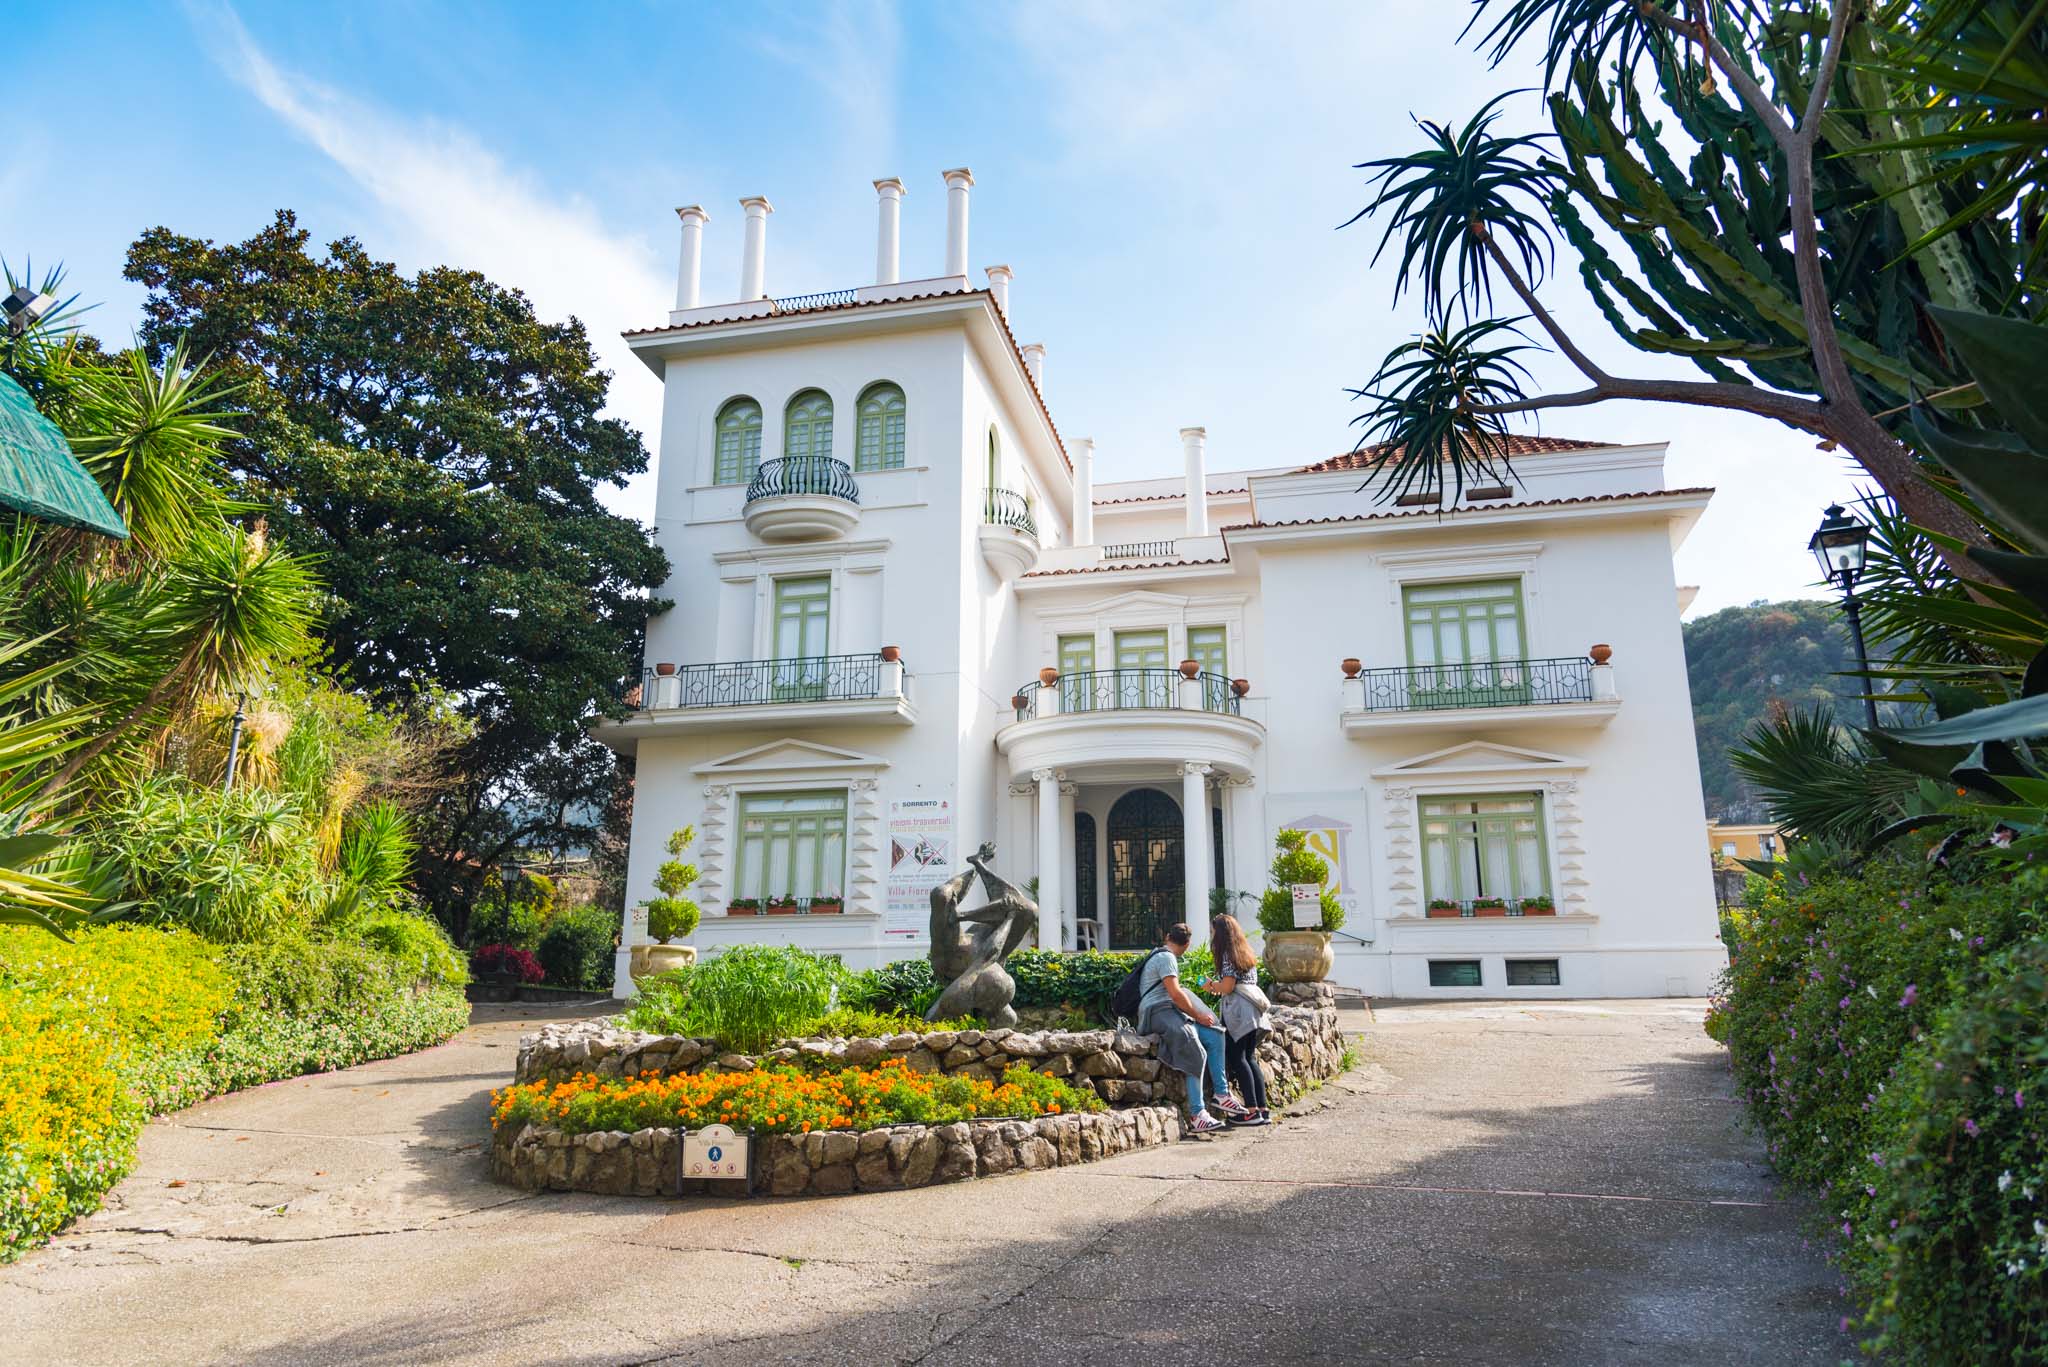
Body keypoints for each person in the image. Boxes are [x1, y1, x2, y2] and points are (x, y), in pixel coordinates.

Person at [1135, 922, 1247, 1134]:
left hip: (1168, 1012)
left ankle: (1222, 1094)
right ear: (1187, 945)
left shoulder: (1164, 955)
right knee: (1193, 1045)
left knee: (1215, 1035)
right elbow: (1176, 995)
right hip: (1156, 1011)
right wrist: (1197, 1016)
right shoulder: (1166, 958)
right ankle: (1198, 1115)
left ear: (1168, 936)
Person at [1204, 913, 1274, 1125]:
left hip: (1239, 1012)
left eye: (1213, 930)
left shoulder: (1227, 954)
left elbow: (1227, 987)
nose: (1211, 934)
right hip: (1254, 1010)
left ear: (1221, 933)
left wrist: (1210, 986)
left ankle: (1251, 1111)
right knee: (1249, 1058)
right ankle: (1262, 1109)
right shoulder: (1245, 952)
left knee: (1237, 1058)